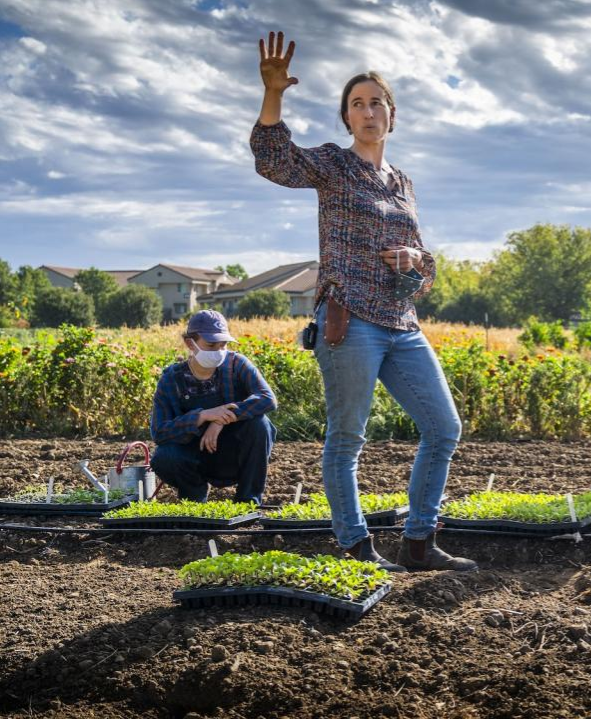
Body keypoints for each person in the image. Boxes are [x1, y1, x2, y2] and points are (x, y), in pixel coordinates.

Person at [249, 31, 474, 572]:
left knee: (444, 428)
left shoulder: (403, 182)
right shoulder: (332, 165)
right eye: (357, 104)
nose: (368, 111)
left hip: (401, 322)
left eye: (377, 102)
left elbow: (425, 262)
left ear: (392, 116)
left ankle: (418, 542)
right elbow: (273, 161)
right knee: (347, 437)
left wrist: (415, 263)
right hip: (349, 318)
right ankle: (355, 544)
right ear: (347, 120)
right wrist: (274, 94)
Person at [150, 310, 277, 506]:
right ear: (190, 343)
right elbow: (159, 431)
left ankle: (247, 501)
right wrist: (202, 416)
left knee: (260, 424)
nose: (218, 351)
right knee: (164, 456)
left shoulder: (237, 364)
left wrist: (221, 419)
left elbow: (267, 399)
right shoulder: (172, 379)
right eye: (210, 345)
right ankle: (193, 499)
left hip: (231, 454)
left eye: (223, 345)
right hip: (192, 456)